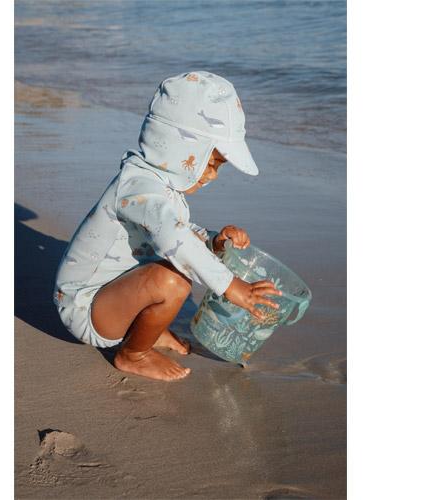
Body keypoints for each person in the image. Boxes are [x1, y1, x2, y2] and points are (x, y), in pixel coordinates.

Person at [54, 71, 281, 381]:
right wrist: (230, 286)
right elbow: (173, 236)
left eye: (219, 167)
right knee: (173, 282)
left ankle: (147, 328)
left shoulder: (161, 186)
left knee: (175, 266)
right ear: (179, 147)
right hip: (86, 308)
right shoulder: (138, 187)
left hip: (116, 296)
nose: (213, 175)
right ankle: (134, 354)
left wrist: (214, 241)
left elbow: (179, 231)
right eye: (210, 162)